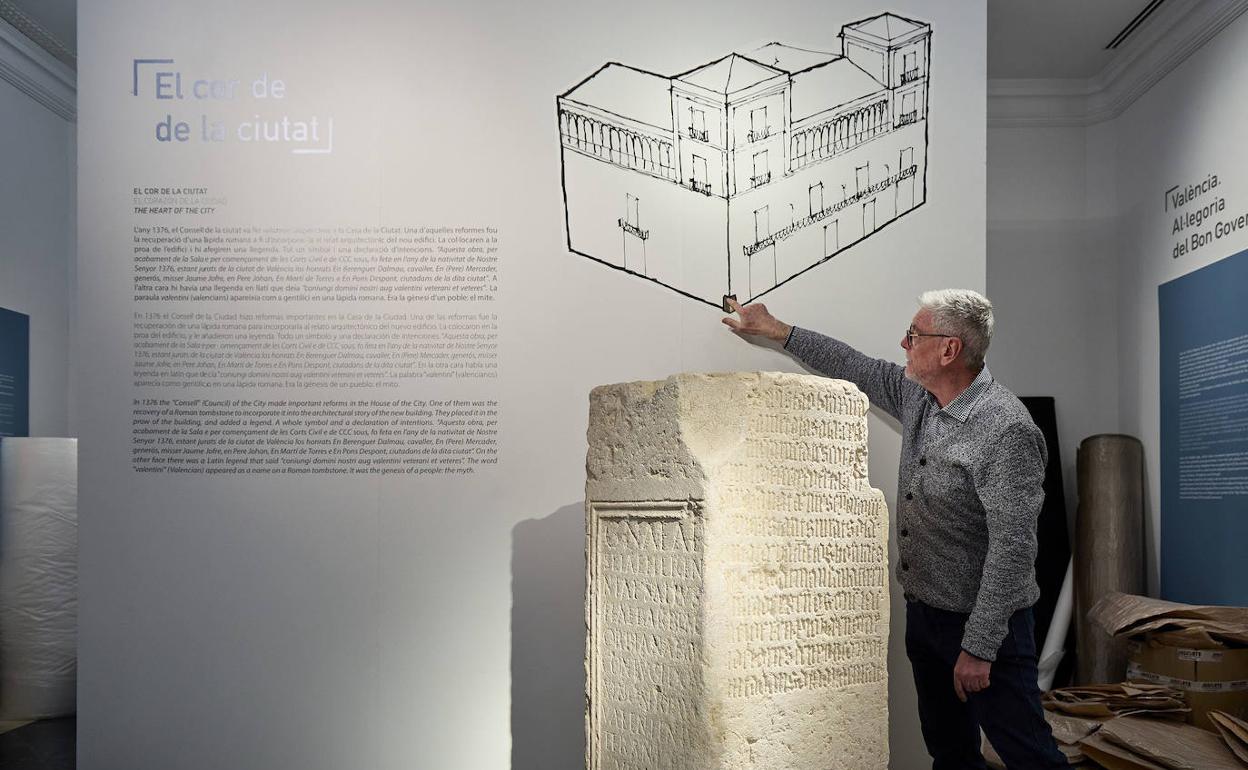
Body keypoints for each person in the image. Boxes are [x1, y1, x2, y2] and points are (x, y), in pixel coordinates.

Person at [723, 289, 1067, 769]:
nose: (904, 343)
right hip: (927, 617)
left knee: (1030, 756)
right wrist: (777, 329)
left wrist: (978, 648)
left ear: (949, 350)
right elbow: (854, 365)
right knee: (950, 753)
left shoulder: (1006, 430)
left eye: (914, 335)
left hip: (987, 627)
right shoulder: (919, 396)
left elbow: (1012, 552)